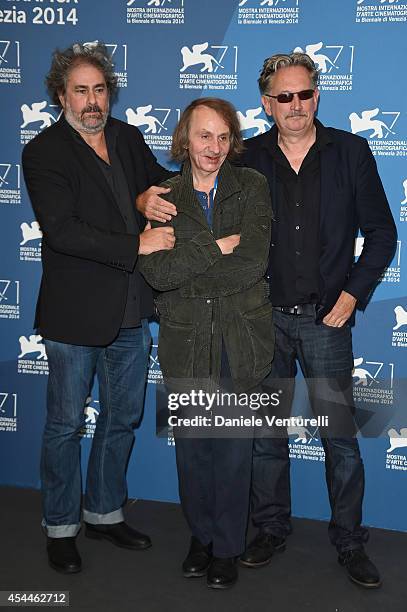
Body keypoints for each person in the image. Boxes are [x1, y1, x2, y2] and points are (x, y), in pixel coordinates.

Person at [236, 52, 397, 588]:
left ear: (317, 95)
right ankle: (269, 529)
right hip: (263, 321)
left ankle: (350, 543)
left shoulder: (351, 152)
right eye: (284, 97)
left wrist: (352, 296)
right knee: (265, 436)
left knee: (340, 440)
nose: (296, 105)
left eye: (304, 93)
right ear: (267, 104)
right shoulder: (248, 158)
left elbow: (382, 234)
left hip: (327, 322)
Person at [22, 42, 176, 574]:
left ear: (110, 92)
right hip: (74, 314)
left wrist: (203, 165)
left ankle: (105, 512)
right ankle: (61, 526)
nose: (92, 101)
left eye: (100, 89)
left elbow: (160, 184)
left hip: (132, 308)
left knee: (121, 418)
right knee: (65, 425)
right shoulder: (43, 152)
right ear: (60, 95)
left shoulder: (128, 138)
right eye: (80, 90)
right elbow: (63, 232)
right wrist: (138, 243)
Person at [138, 98, 274, 589]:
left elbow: (253, 261)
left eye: (222, 137)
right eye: (203, 136)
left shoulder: (252, 186)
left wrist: (188, 273)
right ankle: (201, 538)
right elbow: (156, 271)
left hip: (241, 342)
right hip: (187, 342)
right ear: (185, 140)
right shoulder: (164, 197)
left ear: (232, 141)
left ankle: (228, 548)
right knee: (193, 452)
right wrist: (217, 247)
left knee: (234, 453)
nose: (213, 148)